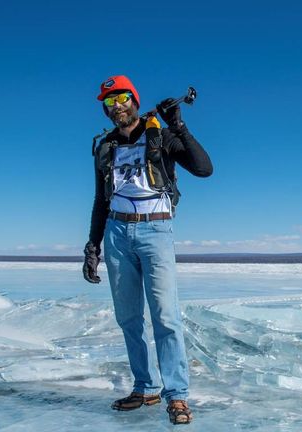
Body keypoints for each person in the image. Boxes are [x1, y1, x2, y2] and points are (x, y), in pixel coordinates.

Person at [82, 75, 213, 425]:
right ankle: (146, 385)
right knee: (128, 318)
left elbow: (204, 169)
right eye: (109, 102)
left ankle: (178, 394)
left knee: (165, 316)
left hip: (155, 228)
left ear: (134, 100)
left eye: (122, 98)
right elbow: (99, 200)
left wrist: (179, 126)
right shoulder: (105, 146)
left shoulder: (160, 135)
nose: (117, 106)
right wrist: (92, 246)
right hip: (116, 231)